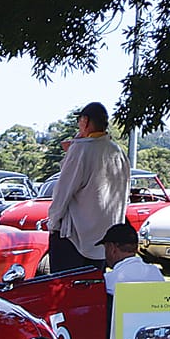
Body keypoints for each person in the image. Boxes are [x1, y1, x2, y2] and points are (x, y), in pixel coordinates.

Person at [46, 102, 130, 273]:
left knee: (66, 289)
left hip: (75, 236)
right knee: (93, 291)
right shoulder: (118, 152)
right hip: (104, 238)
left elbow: (63, 191)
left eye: (80, 121)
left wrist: (53, 223)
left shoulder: (81, 149)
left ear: (84, 121)